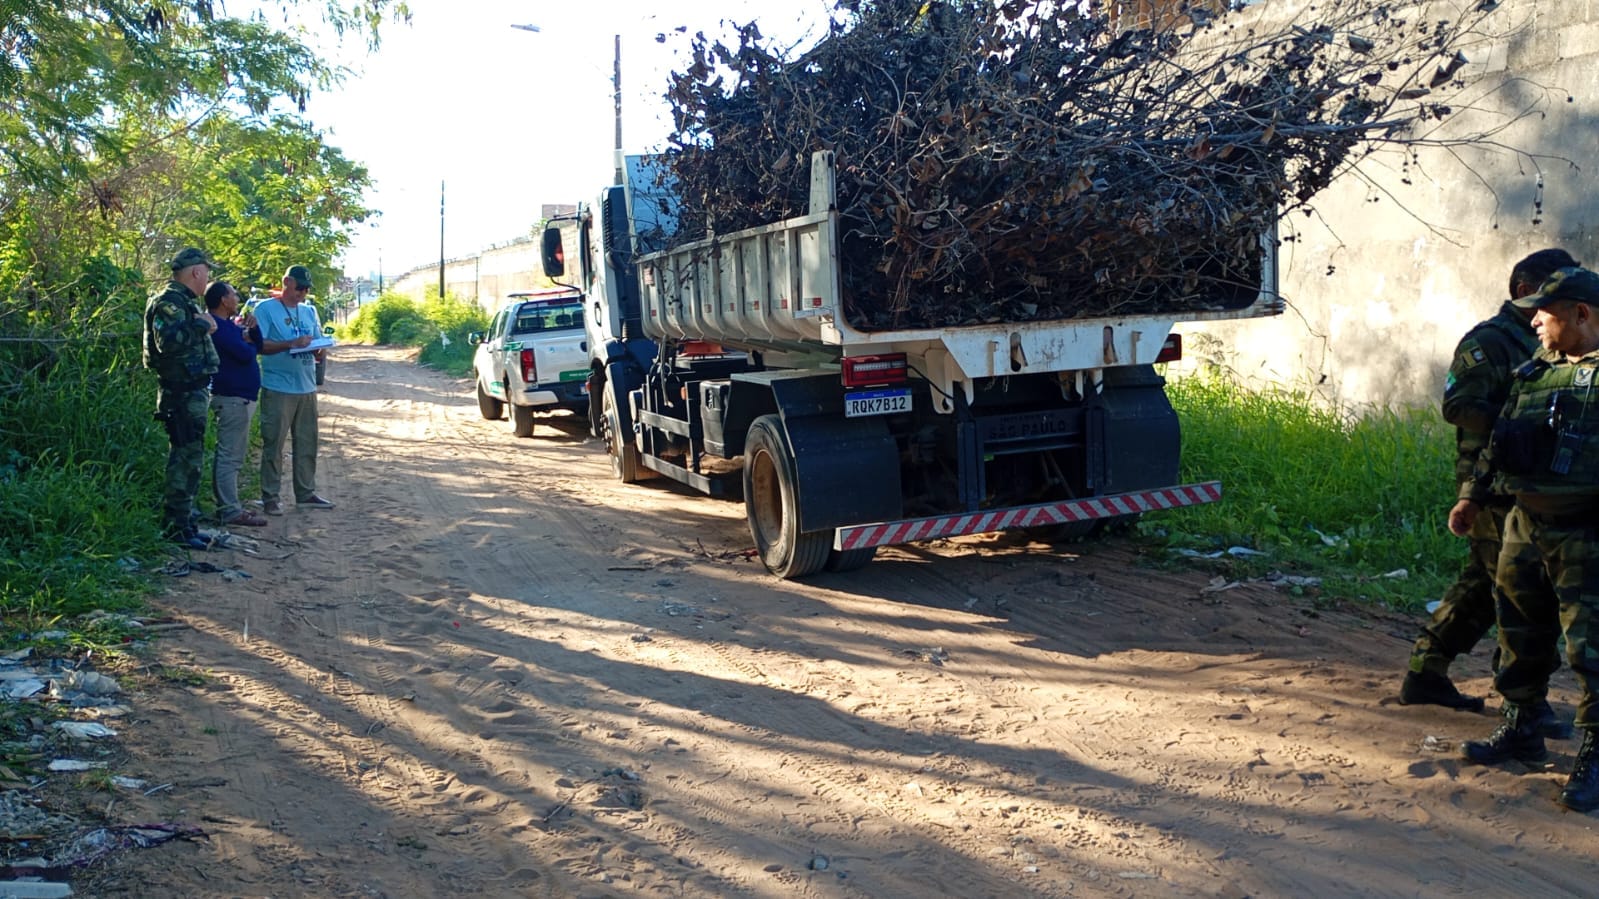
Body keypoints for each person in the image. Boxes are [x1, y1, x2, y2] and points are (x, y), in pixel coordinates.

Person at [1401, 249, 1578, 741]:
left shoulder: (1550, 338)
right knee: (1517, 593)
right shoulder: (1490, 342)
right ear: (1525, 290)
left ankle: (1426, 670)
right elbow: (1458, 406)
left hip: (1527, 486)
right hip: (1494, 486)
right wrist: (1522, 418)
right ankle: (1524, 704)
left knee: (1487, 584)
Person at [1453, 266, 1599, 812]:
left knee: (1590, 648)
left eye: (1547, 312)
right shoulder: (1537, 367)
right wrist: (1472, 494)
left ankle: (1594, 755)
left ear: (1581, 314)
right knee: (1517, 629)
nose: (1534, 319)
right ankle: (1521, 725)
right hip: (1524, 523)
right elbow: (1501, 435)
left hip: (1586, 530)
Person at [142, 247, 220, 549]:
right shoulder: (170, 302)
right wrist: (202, 324)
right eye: (206, 272)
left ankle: (186, 522)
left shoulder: (184, 302)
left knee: (192, 458)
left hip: (192, 390)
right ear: (196, 272)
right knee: (184, 459)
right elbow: (168, 343)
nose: (207, 279)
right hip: (181, 392)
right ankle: (176, 527)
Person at [254, 264, 334, 514]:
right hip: (278, 386)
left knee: (308, 442)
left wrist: (320, 347)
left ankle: (306, 492)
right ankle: (270, 496)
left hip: (306, 386)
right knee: (274, 443)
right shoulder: (265, 309)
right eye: (300, 287)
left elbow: (317, 341)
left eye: (307, 288)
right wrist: (291, 343)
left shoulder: (309, 311)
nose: (303, 292)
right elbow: (260, 345)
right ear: (287, 282)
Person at [205, 281, 267, 528]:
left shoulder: (229, 325)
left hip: (241, 397)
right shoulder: (216, 327)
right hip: (232, 399)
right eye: (233, 294)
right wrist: (249, 343)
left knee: (234, 454)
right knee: (229, 455)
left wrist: (254, 331)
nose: (237, 297)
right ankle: (229, 510)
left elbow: (256, 347)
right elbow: (245, 354)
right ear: (223, 300)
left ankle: (231, 506)